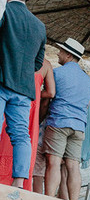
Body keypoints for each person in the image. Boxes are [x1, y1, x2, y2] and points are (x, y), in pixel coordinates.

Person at [0, 0, 46, 188]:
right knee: (20, 135)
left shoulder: (3, 12)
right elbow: (38, 63)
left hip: (1, 80)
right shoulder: (39, 26)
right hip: (24, 89)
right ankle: (18, 183)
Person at [44, 38, 90, 200]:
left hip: (59, 121)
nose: (58, 53)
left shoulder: (57, 73)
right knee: (73, 166)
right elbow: (87, 104)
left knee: (54, 162)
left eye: (60, 51)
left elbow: (49, 95)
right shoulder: (89, 81)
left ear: (68, 55)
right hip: (79, 126)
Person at [0, 57, 55, 191]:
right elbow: (51, 92)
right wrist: (36, 92)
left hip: (10, 100)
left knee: (5, 140)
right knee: (24, 140)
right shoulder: (47, 65)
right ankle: (19, 183)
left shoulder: (18, 58)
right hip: (30, 106)